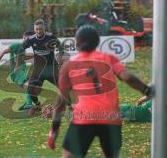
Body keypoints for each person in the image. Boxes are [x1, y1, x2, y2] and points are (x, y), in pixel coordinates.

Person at [47, 25, 153, 158]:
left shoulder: (69, 65)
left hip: (84, 117)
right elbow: (128, 77)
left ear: (77, 43)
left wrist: (54, 131)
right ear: (97, 42)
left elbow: (61, 101)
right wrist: (147, 90)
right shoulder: (109, 58)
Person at [17, 19, 64, 110]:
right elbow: (21, 48)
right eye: (36, 29)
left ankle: (69, 106)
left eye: (40, 29)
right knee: (30, 89)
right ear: (34, 29)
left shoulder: (51, 37)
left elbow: (61, 48)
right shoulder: (31, 39)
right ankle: (37, 104)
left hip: (52, 69)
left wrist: (60, 56)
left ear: (44, 28)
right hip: (39, 70)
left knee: (63, 87)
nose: (38, 31)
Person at [0, 31, 36, 109]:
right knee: (29, 85)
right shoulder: (16, 45)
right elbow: (3, 52)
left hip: (20, 72)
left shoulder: (22, 48)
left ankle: (26, 105)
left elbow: (24, 57)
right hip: (16, 73)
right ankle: (29, 104)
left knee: (30, 87)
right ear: (24, 38)